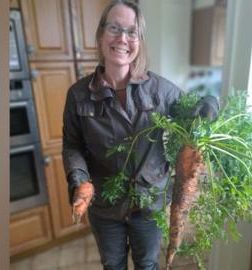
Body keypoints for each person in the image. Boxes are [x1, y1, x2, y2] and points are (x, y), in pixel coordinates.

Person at [62, 1, 219, 269]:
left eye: (131, 32)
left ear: (139, 41)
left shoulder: (160, 89)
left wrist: (210, 104)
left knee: (147, 264)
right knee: (113, 265)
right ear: (101, 36)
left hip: (150, 202)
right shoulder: (78, 94)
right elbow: (72, 145)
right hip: (105, 204)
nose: (123, 38)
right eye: (115, 28)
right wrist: (79, 181)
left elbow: (195, 108)